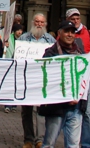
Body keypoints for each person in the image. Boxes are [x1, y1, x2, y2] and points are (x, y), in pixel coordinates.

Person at [39, 20, 85, 148]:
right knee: (49, 143)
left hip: (75, 108)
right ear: (60, 33)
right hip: (56, 108)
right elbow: (47, 79)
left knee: (73, 145)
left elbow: (89, 79)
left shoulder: (81, 54)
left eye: (72, 32)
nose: (70, 35)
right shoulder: (50, 53)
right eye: (67, 32)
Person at [65, 7, 90, 148]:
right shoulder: (63, 34)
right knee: (68, 111)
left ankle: (86, 144)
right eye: (72, 19)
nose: (75, 21)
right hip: (69, 79)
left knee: (86, 112)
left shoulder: (89, 35)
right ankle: (70, 142)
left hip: (87, 80)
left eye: (77, 19)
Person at [18, 14, 55, 148]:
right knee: (26, 111)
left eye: (42, 22)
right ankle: (28, 139)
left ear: (45, 24)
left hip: (42, 80)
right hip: (27, 79)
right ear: (33, 22)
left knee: (41, 111)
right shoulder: (24, 38)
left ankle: (40, 139)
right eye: (37, 21)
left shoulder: (50, 40)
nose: (39, 24)